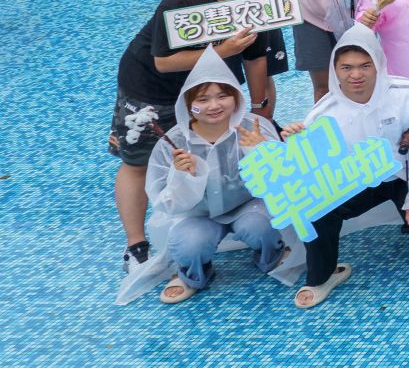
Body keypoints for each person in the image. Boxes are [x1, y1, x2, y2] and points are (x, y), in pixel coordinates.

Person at [114, 0, 286, 271]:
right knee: (138, 162)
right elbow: (163, 62)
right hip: (152, 88)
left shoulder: (254, 6)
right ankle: (135, 245)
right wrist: (223, 49)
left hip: (208, 93)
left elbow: (255, 58)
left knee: (216, 151)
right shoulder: (183, 0)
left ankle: (225, 215)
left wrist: (258, 108)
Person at [117, 46, 287, 305]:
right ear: (188, 105)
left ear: (236, 97)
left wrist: (260, 151)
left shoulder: (254, 128)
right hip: (197, 213)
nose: (214, 106)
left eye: (223, 96)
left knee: (261, 227)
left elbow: (282, 181)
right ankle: (194, 273)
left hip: (248, 204)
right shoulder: (175, 142)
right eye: (202, 100)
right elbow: (165, 201)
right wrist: (183, 176)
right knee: (190, 245)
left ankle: (271, 255)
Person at [294, 25, 409, 308]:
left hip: (406, 176)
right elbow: (312, 170)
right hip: (358, 182)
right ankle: (323, 275)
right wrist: (293, 142)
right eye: (346, 67)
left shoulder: (407, 93)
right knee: (314, 208)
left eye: (365, 65)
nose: (356, 75)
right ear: (334, 70)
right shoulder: (322, 114)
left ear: (379, 64)